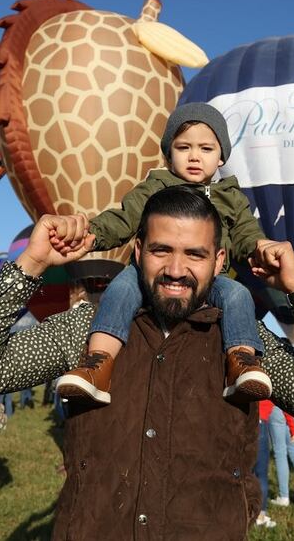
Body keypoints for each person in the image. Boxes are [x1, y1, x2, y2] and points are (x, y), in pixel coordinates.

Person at [0, 186, 294, 538]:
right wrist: (30, 264)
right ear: (138, 250)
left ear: (220, 261)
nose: (177, 269)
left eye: (195, 255)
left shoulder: (244, 344)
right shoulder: (87, 330)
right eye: (162, 250)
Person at [56, 103, 276, 406]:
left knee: (238, 293)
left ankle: (241, 363)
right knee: (120, 288)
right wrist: (91, 234)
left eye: (206, 148)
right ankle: (99, 364)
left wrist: (261, 248)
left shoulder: (231, 196)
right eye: (184, 147)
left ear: (222, 156)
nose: (195, 156)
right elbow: (124, 217)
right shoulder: (155, 186)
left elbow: (246, 234)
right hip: (148, 275)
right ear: (168, 153)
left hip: (209, 279)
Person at [253, 405, 277, 529]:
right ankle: (260, 516)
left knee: (241, 471)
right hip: (260, 421)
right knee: (261, 474)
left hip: (240, 421)